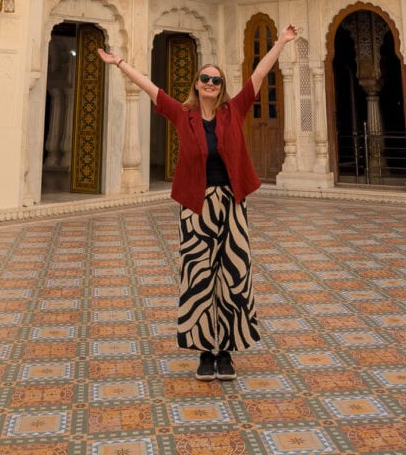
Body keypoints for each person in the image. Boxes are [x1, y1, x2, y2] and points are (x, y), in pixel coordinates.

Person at [98, 23, 297, 381]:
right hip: (196, 206)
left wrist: (280, 42)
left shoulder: (233, 111)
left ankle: (227, 351)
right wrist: (120, 63)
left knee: (234, 276)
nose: (209, 84)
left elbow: (260, 73)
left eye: (216, 80)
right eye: (204, 79)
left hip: (232, 204)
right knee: (198, 276)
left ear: (222, 88)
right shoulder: (182, 114)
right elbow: (150, 88)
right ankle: (206, 351)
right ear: (196, 83)